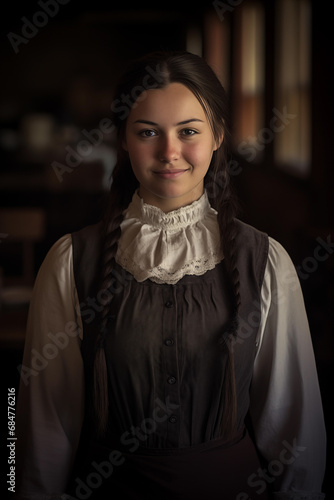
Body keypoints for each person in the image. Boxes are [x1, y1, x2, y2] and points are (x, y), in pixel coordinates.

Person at [15, 51, 326, 500]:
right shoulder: (68, 262)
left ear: (218, 134)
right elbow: (43, 427)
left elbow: (296, 431)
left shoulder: (266, 262)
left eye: (189, 131)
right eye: (147, 132)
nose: (169, 152)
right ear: (124, 138)